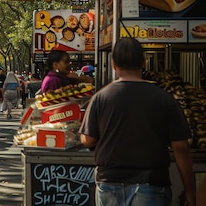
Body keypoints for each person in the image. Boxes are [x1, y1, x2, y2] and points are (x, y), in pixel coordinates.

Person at [80, 38, 196, 206]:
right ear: (143, 63)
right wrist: (190, 190)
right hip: (151, 184)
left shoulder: (100, 98)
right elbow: (181, 147)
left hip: (109, 183)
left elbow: (88, 140)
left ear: (113, 64)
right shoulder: (164, 99)